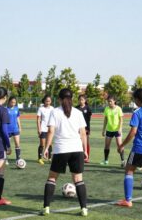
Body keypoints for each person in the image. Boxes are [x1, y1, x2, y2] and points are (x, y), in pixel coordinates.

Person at [41, 88, 88, 216]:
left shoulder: (55, 112)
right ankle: (84, 209)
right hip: (77, 149)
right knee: (78, 179)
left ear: (60, 99)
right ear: (72, 99)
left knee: (52, 178)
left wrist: (46, 148)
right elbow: (83, 133)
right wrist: (85, 150)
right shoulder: (78, 112)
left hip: (61, 150)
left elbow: (51, 131)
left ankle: (46, 208)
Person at [101, 95, 125, 167]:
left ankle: (123, 161)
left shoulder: (118, 109)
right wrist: (103, 129)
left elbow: (121, 120)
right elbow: (105, 120)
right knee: (107, 146)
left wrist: (120, 128)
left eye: (110, 101)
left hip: (117, 130)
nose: (109, 103)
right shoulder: (106, 109)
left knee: (120, 145)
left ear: (114, 101)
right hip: (109, 130)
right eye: (108, 101)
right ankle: (106, 160)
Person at [37, 95, 54, 165]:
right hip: (43, 128)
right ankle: (40, 158)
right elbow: (38, 120)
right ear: (44, 101)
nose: (48, 102)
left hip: (50, 129)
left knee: (49, 143)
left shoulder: (52, 109)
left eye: (49, 101)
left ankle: (49, 158)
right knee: (42, 144)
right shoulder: (41, 109)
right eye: (46, 101)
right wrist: (39, 128)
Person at [76, 94, 92, 163]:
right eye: (79, 99)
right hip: (77, 128)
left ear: (85, 100)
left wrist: (87, 128)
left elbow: (88, 119)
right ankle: (79, 157)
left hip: (86, 128)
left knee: (86, 142)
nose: (81, 101)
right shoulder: (76, 108)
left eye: (82, 99)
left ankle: (86, 157)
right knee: (78, 142)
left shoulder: (88, 108)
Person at [6, 96, 22, 165]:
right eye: (12, 102)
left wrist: (20, 127)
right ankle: (5, 159)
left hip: (15, 129)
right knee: (7, 146)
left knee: (17, 144)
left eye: (14, 102)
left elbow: (17, 118)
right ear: (9, 101)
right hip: (7, 130)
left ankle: (18, 159)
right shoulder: (5, 109)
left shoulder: (16, 109)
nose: (13, 103)